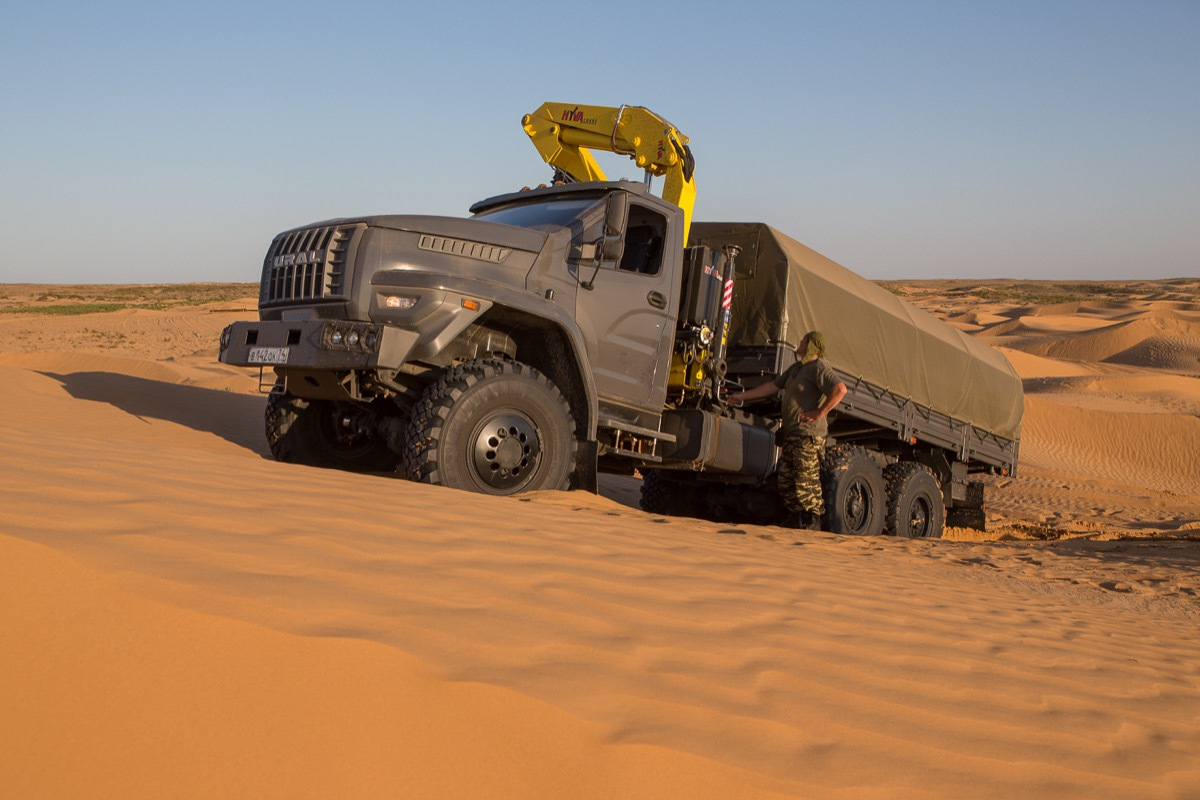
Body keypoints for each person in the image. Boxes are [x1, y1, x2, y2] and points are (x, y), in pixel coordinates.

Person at [726, 331, 847, 530]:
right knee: (785, 479)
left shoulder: (819, 367)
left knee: (805, 479)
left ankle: (813, 519)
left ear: (811, 345)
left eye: (803, 341)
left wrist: (820, 411)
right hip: (792, 433)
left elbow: (840, 389)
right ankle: (796, 516)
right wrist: (742, 397)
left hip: (808, 434)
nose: (799, 343)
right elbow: (772, 387)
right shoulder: (797, 369)